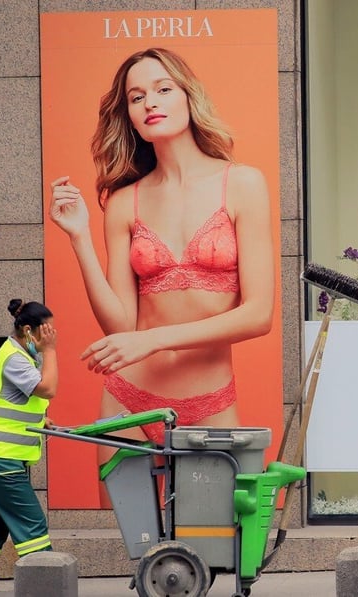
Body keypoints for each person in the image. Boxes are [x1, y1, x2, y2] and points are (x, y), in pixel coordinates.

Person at [48, 48, 274, 455]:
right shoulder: (123, 202)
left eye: (163, 89)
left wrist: (152, 340)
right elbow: (121, 329)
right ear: (130, 116)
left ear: (188, 96)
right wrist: (78, 236)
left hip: (211, 404)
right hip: (127, 402)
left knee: (212, 523)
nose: (150, 102)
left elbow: (259, 315)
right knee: (134, 524)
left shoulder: (242, 184)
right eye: (136, 97)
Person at [0, 300, 58, 597]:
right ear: (29, 331)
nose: (52, 336)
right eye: (47, 331)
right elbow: (48, 388)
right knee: (33, 527)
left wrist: (42, 418)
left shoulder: (18, 355)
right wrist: (52, 351)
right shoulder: (14, 357)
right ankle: (49, 589)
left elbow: (15, 403)